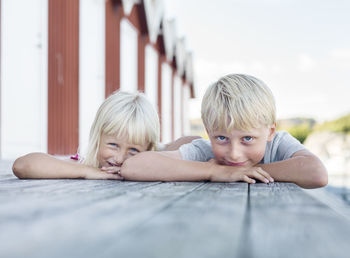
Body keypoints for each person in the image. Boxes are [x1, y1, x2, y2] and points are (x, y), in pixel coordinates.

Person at [119, 74, 328, 189]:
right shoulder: (204, 151)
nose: (234, 153)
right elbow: (134, 166)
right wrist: (215, 171)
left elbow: (316, 174)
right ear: (208, 131)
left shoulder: (277, 144)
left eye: (247, 138)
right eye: (221, 138)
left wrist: (242, 174)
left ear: (270, 131)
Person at [12, 90, 187, 180]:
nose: (119, 158)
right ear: (98, 135)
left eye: (133, 150)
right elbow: (23, 165)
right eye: (113, 145)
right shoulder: (85, 163)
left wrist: (159, 151)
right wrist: (88, 171)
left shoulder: (152, 158)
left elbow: (194, 143)